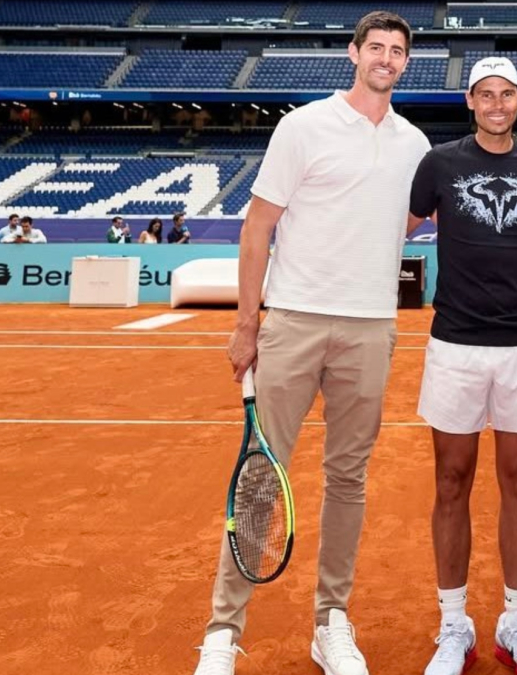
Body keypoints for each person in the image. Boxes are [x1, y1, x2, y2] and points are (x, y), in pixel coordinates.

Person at [192, 11, 431, 675]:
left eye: (397, 50)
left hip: (370, 327)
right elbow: (257, 228)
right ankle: (222, 629)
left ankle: (332, 622)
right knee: (261, 475)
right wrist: (247, 323)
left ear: (407, 63)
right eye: (376, 47)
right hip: (293, 322)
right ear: (354, 54)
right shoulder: (302, 126)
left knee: (347, 478)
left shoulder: (414, 145)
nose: (386, 58)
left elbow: (405, 219)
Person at [406, 56, 517, 675]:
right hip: (456, 344)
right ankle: (454, 626)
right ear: (470, 102)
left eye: (506, 94)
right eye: (485, 95)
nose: (496, 104)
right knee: (451, 481)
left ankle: (516, 622)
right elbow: (399, 223)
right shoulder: (439, 164)